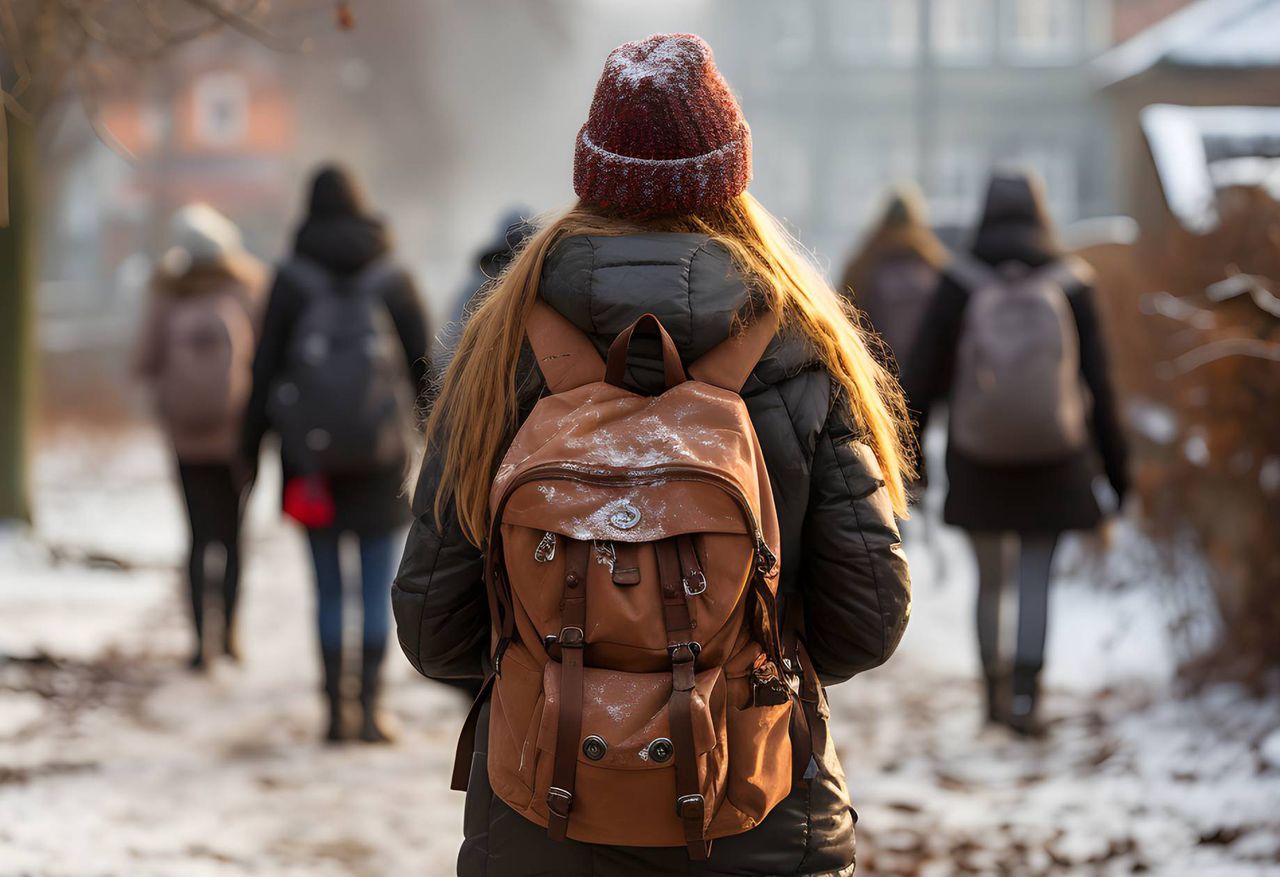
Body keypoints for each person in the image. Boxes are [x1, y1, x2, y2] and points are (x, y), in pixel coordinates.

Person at [393, 34, 912, 876]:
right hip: (759, 814)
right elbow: (869, 618)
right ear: (731, 175)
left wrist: (563, 663)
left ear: (590, 173)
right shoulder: (799, 344)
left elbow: (431, 626)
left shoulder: (500, 347)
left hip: (540, 820)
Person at [902, 170, 1129, 736]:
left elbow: (922, 375)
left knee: (990, 580)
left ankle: (992, 693)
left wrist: (913, 463)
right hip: (1057, 453)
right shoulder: (1071, 281)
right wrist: (1118, 474)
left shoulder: (959, 282)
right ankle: (1027, 693)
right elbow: (1100, 383)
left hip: (980, 456)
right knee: (1035, 574)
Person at [240, 165, 430, 743]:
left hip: (309, 464)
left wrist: (249, 455)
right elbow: (427, 369)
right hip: (381, 459)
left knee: (327, 588)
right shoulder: (392, 276)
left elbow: (263, 370)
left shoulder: (291, 280)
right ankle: (371, 711)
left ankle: (333, 714)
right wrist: (438, 445)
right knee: (376, 587)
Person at [133, 203, 266, 671]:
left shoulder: (166, 292)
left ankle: (198, 644)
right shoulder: (248, 288)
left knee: (196, 536)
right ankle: (229, 633)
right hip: (239, 438)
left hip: (185, 438)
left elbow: (143, 361)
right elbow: (267, 361)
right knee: (231, 535)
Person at [838, 182, 948, 373]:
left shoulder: (860, 268)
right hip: (923, 379)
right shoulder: (936, 267)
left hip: (874, 378)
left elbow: (843, 323)